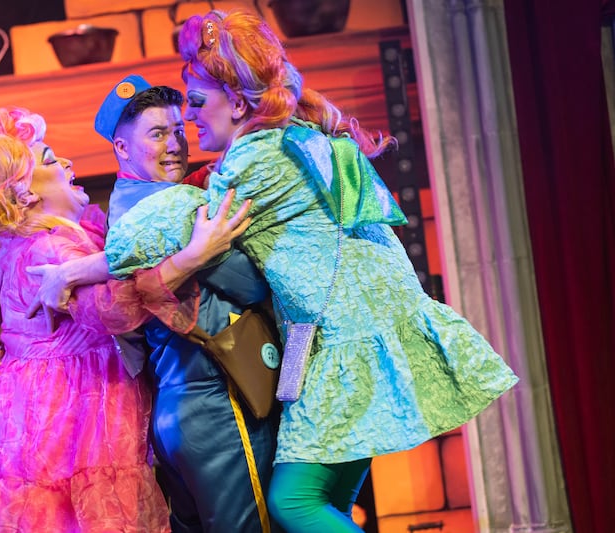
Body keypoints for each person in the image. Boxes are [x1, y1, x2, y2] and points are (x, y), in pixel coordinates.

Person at [100, 9, 520, 533]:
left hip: (347, 340)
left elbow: (140, 239)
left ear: (236, 101)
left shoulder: (255, 159)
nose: (189, 120)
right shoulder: (292, 134)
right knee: (324, 505)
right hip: (349, 336)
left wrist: (73, 271)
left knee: (294, 504)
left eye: (197, 103)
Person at [0, 106, 252, 533]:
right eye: (48, 159)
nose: (66, 163)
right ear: (24, 194)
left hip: (54, 424)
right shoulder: (47, 251)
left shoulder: (54, 243)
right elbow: (116, 307)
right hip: (74, 433)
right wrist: (192, 257)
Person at [28, 76, 282, 533]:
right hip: (219, 399)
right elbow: (252, 285)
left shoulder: (122, 207)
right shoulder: (172, 207)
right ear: (122, 149)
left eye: (178, 130)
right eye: (157, 133)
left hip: (176, 409)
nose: (176, 144)